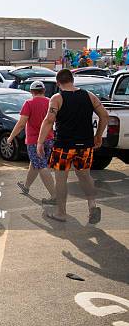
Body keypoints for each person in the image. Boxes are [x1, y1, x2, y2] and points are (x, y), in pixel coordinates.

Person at [37, 69, 109, 224]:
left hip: (64, 146)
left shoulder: (57, 98)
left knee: (61, 178)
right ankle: (92, 206)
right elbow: (105, 115)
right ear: (73, 80)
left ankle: (61, 213)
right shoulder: (89, 96)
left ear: (58, 83)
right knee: (84, 175)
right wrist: (98, 135)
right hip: (85, 145)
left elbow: (49, 120)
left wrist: (40, 142)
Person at [6, 81, 56, 204]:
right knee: (35, 164)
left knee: (41, 166)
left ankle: (55, 196)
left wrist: (11, 137)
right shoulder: (50, 102)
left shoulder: (29, 103)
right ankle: (26, 186)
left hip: (34, 140)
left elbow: (21, 123)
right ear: (44, 90)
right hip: (49, 139)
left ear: (31, 91)